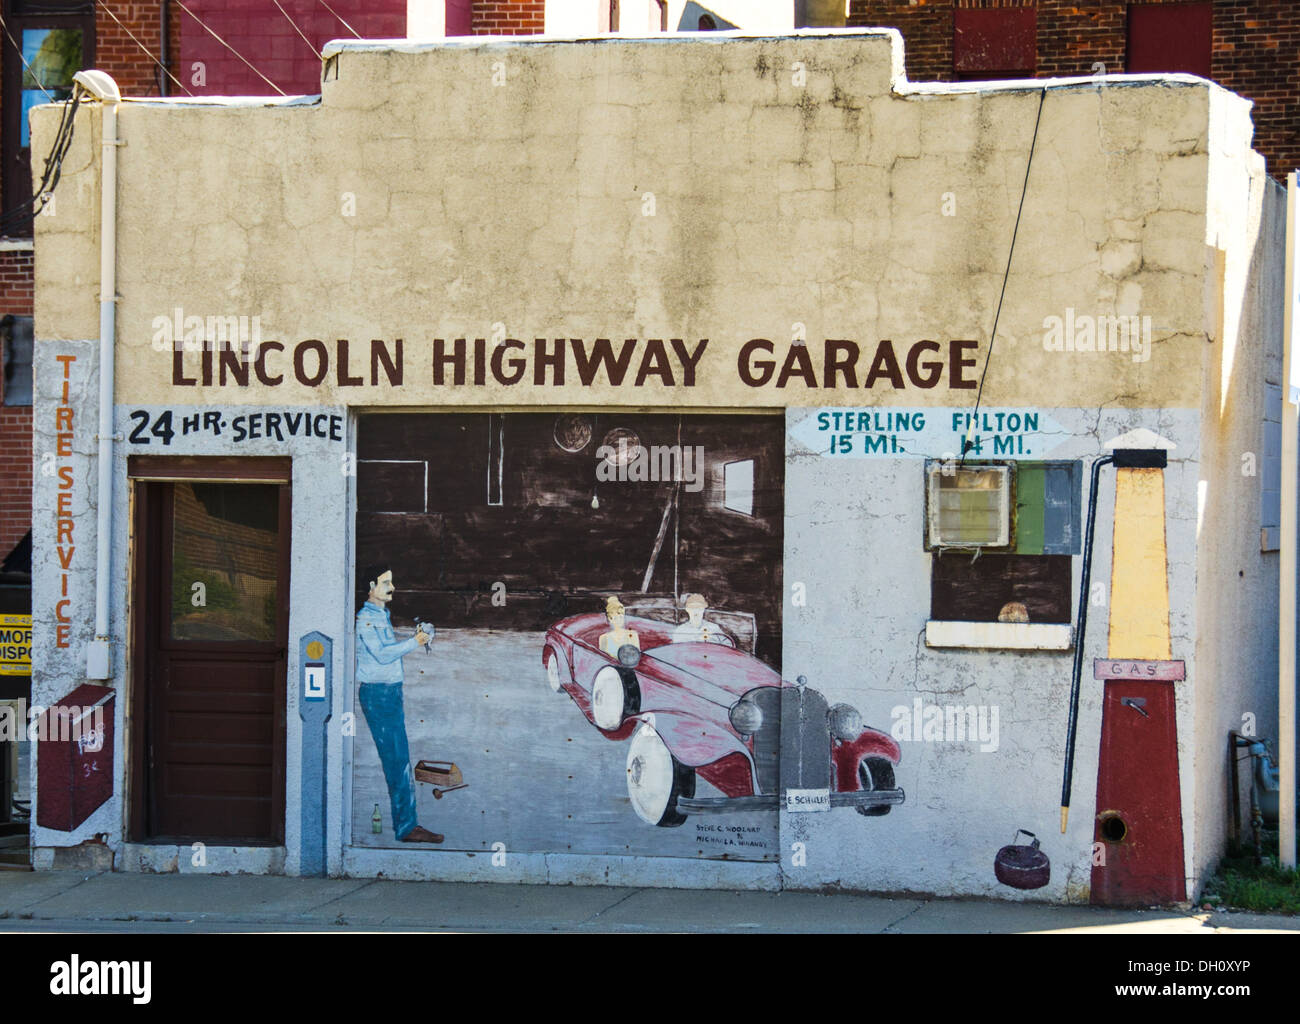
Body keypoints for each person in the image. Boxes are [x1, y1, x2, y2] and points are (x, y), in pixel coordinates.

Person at [356, 564, 442, 844]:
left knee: (399, 760)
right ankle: (407, 827)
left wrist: (419, 636)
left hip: (389, 693)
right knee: (397, 762)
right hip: (379, 695)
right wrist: (415, 642)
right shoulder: (366, 619)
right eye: (386, 583)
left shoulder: (380, 615)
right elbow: (382, 655)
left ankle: (407, 824)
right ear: (371, 586)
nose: (392, 588)